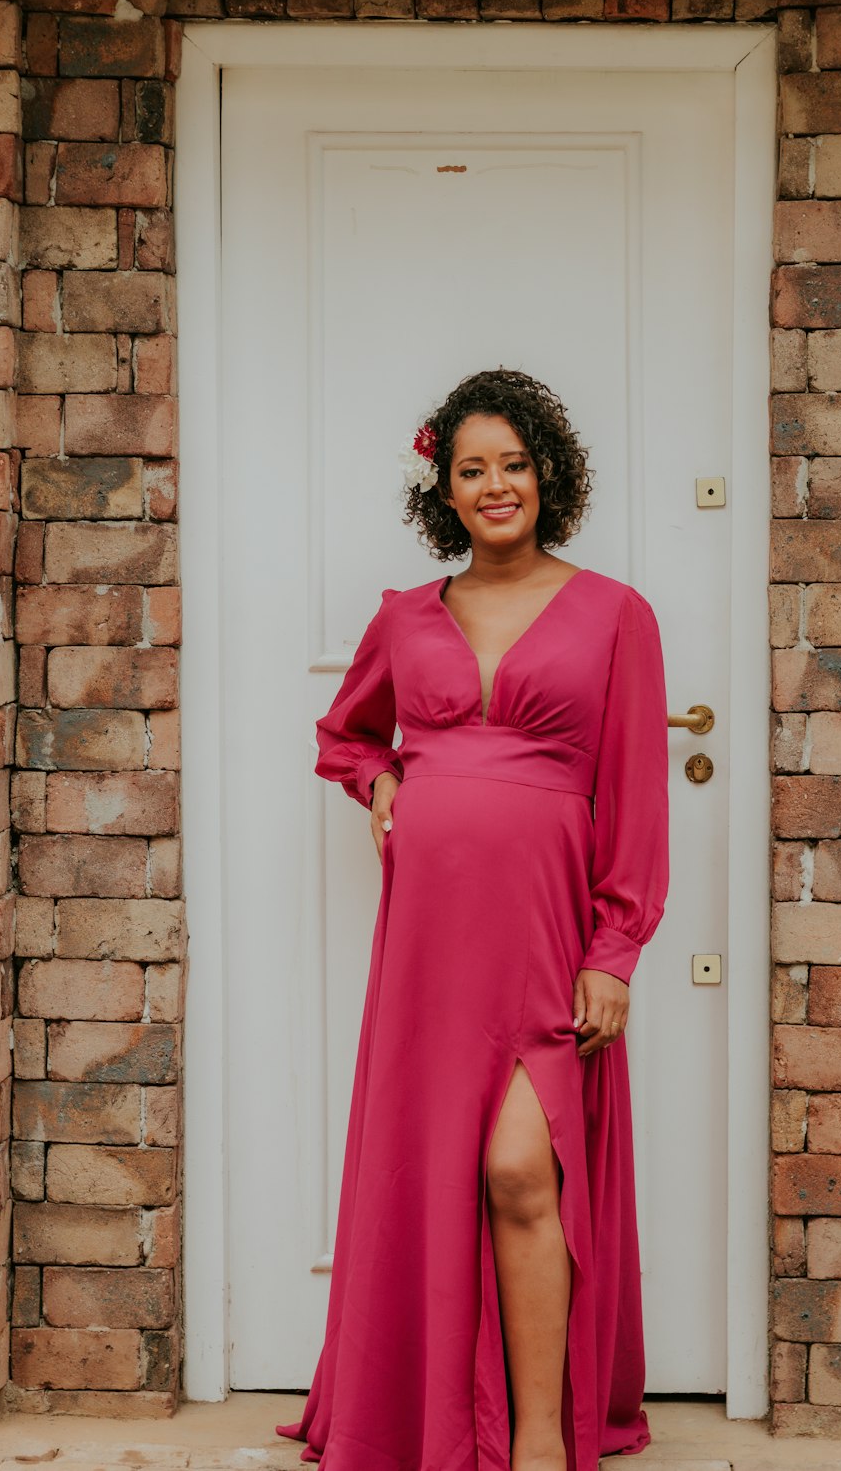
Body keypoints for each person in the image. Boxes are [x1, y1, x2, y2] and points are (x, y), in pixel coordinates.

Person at [276, 367, 670, 1471]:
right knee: (438, 1172)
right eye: (471, 469)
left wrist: (616, 950)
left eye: (513, 464)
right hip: (431, 943)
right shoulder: (405, 617)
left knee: (518, 1168)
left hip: (545, 933)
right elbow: (345, 735)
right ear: (442, 490)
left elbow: (635, 797)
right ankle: (431, 1415)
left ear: (548, 473)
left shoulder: (614, 616)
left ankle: (542, 1439)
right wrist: (382, 782)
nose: (495, 485)